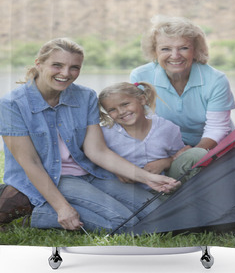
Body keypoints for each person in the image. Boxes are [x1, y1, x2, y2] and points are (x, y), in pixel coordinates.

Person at [0, 38, 180, 233]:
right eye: (57, 65)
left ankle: (55, 207)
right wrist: (63, 208)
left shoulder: (85, 97)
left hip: (91, 173)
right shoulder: (12, 104)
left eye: (74, 67)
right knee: (124, 223)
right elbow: (31, 163)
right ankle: (39, 214)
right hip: (55, 178)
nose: (66, 74)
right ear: (39, 64)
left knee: (159, 213)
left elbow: (98, 152)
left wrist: (146, 178)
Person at [130, 15, 235, 161]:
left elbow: (217, 129)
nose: (175, 56)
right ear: (155, 51)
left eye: (184, 48)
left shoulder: (216, 80)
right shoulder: (140, 76)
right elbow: (146, 123)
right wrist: (169, 158)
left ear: (196, 50)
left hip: (213, 146)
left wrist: (190, 155)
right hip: (166, 147)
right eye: (165, 49)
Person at [98, 82, 204, 191]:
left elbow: (178, 156)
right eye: (112, 110)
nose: (121, 112)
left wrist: (165, 162)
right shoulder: (104, 134)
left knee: (197, 154)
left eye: (125, 104)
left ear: (142, 99)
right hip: (130, 192)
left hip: (165, 185)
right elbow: (97, 159)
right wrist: (116, 171)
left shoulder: (167, 128)